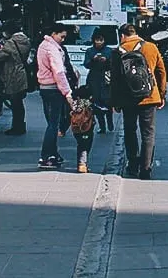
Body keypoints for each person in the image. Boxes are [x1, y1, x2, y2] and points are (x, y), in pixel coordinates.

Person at [110, 23, 166, 180]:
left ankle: (133, 164)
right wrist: (162, 94)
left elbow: (114, 79)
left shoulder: (117, 52)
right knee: (148, 132)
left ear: (122, 35)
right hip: (149, 96)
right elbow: (161, 71)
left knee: (129, 131)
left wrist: (115, 101)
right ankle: (146, 168)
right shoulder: (151, 47)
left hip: (127, 99)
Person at [36, 22, 76, 170]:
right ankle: (46, 156)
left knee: (51, 123)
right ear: (54, 33)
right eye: (62, 36)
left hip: (45, 87)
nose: (63, 39)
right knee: (53, 124)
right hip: (54, 88)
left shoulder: (43, 45)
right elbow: (59, 72)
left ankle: (53, 154)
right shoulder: (52, 48)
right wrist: (68, 93)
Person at [0, 23, 32, 135]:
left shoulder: (11, 42)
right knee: (19, 103)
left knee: (15, 103)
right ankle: (20, 125)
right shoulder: (26, 40)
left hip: (12, 73)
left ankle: (16, 127)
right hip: (22, 72)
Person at [83, 32, 115, 133]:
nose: (99, 42)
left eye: (101, 40)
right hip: (94, 78)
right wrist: (93, 59)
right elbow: (86, 64)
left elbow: (113, 64)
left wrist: (106, 60)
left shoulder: (109, 51)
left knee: (108, 101)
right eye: (97, 40)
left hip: (107, 77)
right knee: (96, 102)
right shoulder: (89, 51)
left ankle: (110, 121)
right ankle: (102, 126)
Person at [70, 84, 97, 173]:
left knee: (80, 144)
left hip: (76, 129)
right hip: (87, 128)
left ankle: (81, 163)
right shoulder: (88, 103)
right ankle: (82, 164)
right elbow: (98, 109)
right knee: (85, 145)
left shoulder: (74, 103)